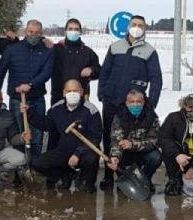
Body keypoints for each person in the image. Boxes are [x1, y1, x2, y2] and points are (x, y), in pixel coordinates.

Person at [97, 14, 162, 190]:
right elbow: (105, 72)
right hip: (111, 101)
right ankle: (110, 176)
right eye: (134, 24)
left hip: (134, 104)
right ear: (128, 26)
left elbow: (156, 79)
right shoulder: (115, 47)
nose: (137, 27)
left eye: (141, 25)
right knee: (110, 138)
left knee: (134, 136)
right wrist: (102, 93)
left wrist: (151, 102)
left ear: (144, 29)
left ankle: (139, 176)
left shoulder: (149, 51)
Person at [27, 79, 103, 193]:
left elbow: (95, 137)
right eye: (69, 91)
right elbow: (47, 124)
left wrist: (77, 153)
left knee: (92, 159)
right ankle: (62, 174)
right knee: (37, 163)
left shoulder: (91, 110)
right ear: (64, 93)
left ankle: (86, 181)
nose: (72, 93)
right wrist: (30, 113)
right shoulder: (56, 108)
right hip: (64, 149)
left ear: (82, 92)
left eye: (75, 90)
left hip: (85, 150)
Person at [0, 19, 53, 166]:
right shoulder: (12, 49)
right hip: (17, 99)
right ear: (25, 31)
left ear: (42, 34)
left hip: (37, 98)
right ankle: (20, 165)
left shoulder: (47, 50)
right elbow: (1, 71)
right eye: (30, 32)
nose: (33, 35)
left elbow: (47, 72)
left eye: (37, 33)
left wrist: (31, 85)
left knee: (37, 133)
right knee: (19, 133)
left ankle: (35, 165)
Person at [108, 90, 162, 191]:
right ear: (126, 103)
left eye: (138, 101)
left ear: (143, 102)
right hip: (126, 152)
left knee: (156, 157)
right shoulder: (119, 117)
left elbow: (154, 141)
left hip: (143, 151)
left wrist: (133, 145)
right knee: (114, 157)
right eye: (132, 102)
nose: (135, 104)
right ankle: (125, 180)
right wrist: (115, 156)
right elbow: (116, 140)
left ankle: (144, 180)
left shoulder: (151, 117)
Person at [50, 18, 100, 104]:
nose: (73, 31)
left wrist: (91, 70)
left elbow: (100, 71)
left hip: (81, 97)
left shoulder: (88, 52)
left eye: (76, 29)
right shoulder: (55, 49)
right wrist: (44, 39)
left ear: (80, 31)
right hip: (59, 97)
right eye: (70, 29)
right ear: (65, 31)